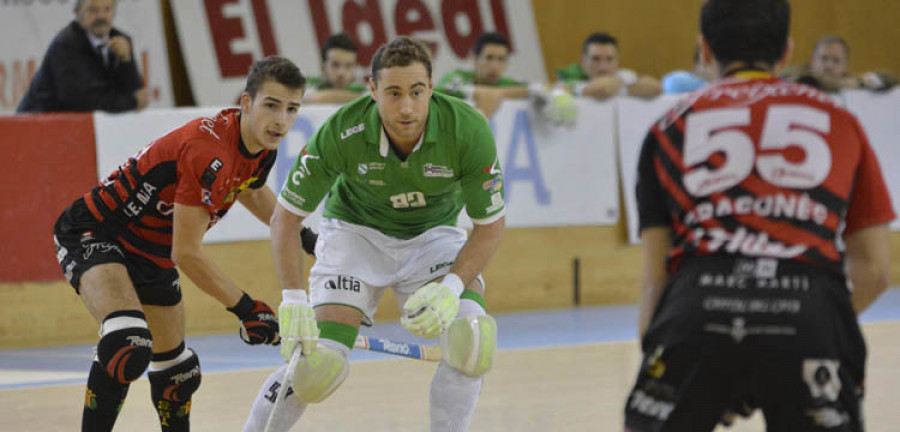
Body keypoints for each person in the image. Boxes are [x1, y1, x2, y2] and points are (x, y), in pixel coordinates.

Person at [624, 0, 895, 431]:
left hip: (697, 308)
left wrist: (685, 365)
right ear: (787, 52)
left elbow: (655, 277)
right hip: (808, 305)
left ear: (705, 50)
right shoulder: (840, 121)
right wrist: (798, 328)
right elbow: (877, 271)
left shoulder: (670, 125)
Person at [243, 36, 505, 432]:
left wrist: (451, 288)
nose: (406, 107)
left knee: (472, 341)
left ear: (432, 89)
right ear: (372, 89)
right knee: (317, 367)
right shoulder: (341, 131)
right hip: (355, 235)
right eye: (394, 93)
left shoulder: (468, 130)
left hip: (433, 236)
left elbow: (489, 226)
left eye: (417, 92)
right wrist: (293, 300)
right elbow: (285, 218)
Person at [52, 56, 306, 432]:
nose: (281, 120)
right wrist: (246, 307)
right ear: (246, 103)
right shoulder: (209, 151)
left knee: (178, 375)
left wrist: (307, 236)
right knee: (128, 345)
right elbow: (185, 252)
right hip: (99, 231)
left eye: (291, 109)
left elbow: (250, 190)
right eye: (271, 105)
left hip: (150, 251)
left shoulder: (257, 143)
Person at [17, 0, 148, 113]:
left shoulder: (122, 40)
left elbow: (138, 94)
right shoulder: (66, 45)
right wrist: (132, 102)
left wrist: (126, 60)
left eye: (107, 9)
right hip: (38, 124)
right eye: (93, 10)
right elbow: (81, 102)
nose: (101, 16)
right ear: (76, 13)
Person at [437, 31, 576, 125]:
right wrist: (530, 91)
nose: (495, 66)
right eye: (489, 58)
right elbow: (484, 93)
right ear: (474, 58)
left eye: (501, 59)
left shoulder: (506, 82)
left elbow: (548, 86)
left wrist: (557, 93)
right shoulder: (454, 77)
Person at [556, 32, 661, 99]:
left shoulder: (625, 75)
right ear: (583, 62)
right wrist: (623, 84)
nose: (603, 67)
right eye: (595, 59)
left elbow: (656, 88)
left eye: (609, 59)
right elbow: (602, 89)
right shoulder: (572, 83)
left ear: (617, 61)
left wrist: (620, 84)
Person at [783, 36, 897, 93]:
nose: (829, 66)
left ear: (846, 66)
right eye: (824, 58)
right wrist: (839, 85)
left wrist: (861, 82)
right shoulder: (800, 74)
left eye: (836, 61)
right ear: (812, 60)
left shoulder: (853, 80)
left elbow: (889, 79)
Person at [302, 33, 367, 104]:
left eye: (348, 66)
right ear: (322, 67)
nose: (341, 73)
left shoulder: (362, 89)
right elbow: (306, 98)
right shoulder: (309, 86)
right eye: (335, 65)